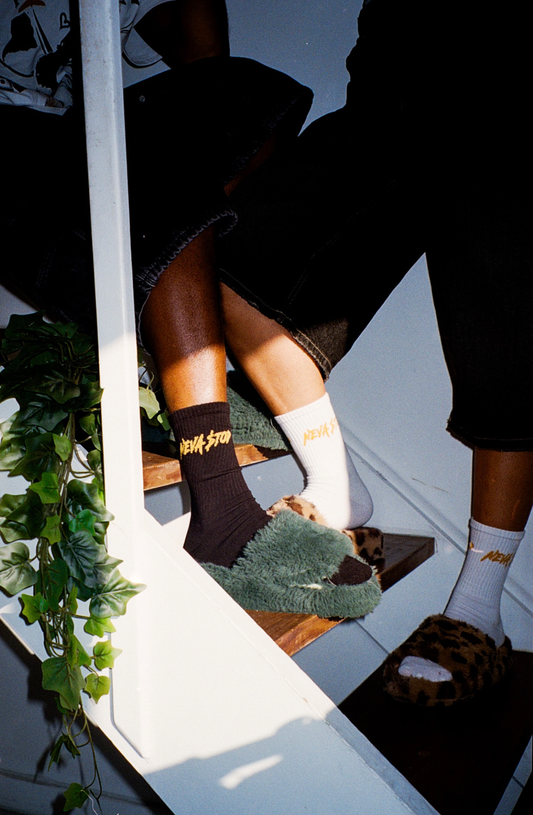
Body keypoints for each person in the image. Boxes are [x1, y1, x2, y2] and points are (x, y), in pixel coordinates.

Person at [0, 1, 381, 620]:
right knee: (154, 173)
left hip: (79, 131)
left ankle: (180, 373)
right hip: (13, 135)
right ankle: (220, 511)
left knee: (254, 96)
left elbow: (202, 54)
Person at [218, 0, 533, 704]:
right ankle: (335, 488)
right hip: (398, 69)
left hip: (516, 82)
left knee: (507, 344)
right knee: (236, 263)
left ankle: (478, 607)